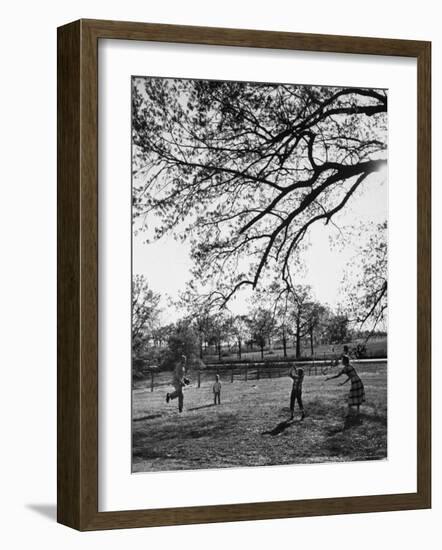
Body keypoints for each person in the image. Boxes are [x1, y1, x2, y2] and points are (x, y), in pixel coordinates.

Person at [326, 345, 365, 415]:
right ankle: (358, 412)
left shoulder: (345, 368)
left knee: (351, 396)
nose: (341, 361)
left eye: (342, 360)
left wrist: (329, 378)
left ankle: (348, 414)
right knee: (357, 395)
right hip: (359, 381)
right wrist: (343, 383)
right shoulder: (350, 366)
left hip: (355, 382)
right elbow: (352, 376)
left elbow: (337, 376)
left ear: (344, 361)